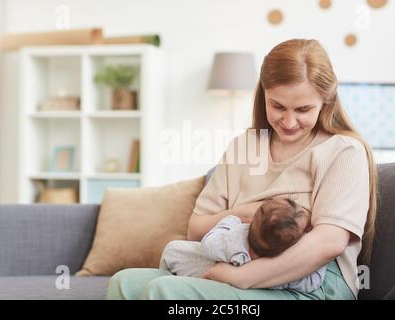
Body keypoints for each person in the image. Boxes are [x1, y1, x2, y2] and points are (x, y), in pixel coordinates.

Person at [106, 38, 378, 300]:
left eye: (303, 109)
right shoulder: (245, 146)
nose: (289, 121)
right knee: (124, 282)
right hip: (235, 261)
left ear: (325, 103)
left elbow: (328, 242)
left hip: (311, 284)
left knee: (165, 292)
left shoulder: (343, 151)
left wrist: (245, 276)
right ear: (264, 95)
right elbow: (196, 229)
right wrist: (244, 213)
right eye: (278, 106)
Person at [159, 198, 327, 293]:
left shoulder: (235, 237)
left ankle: (163, 275)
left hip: (191, 268)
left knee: (172, 250)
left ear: (252, 221)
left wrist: (232, 219)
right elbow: (313, 281)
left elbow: (207, 244)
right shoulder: (280, 269)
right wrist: (312, 241)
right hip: (225, 288)